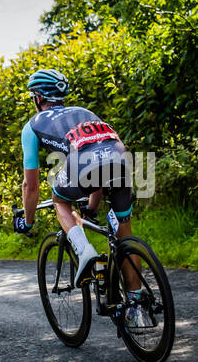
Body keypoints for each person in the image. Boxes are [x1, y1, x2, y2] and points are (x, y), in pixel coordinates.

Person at [12, 69, 150, 328]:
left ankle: (84, 248)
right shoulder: (85, 112)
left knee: (59, 199)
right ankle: (137, 306)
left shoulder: (33, 125)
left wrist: (27, 221)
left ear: (38, 98)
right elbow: (100, 155)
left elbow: (30, 186)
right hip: (120, 158)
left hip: (83, 164)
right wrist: (91, 208)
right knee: (125, 233)